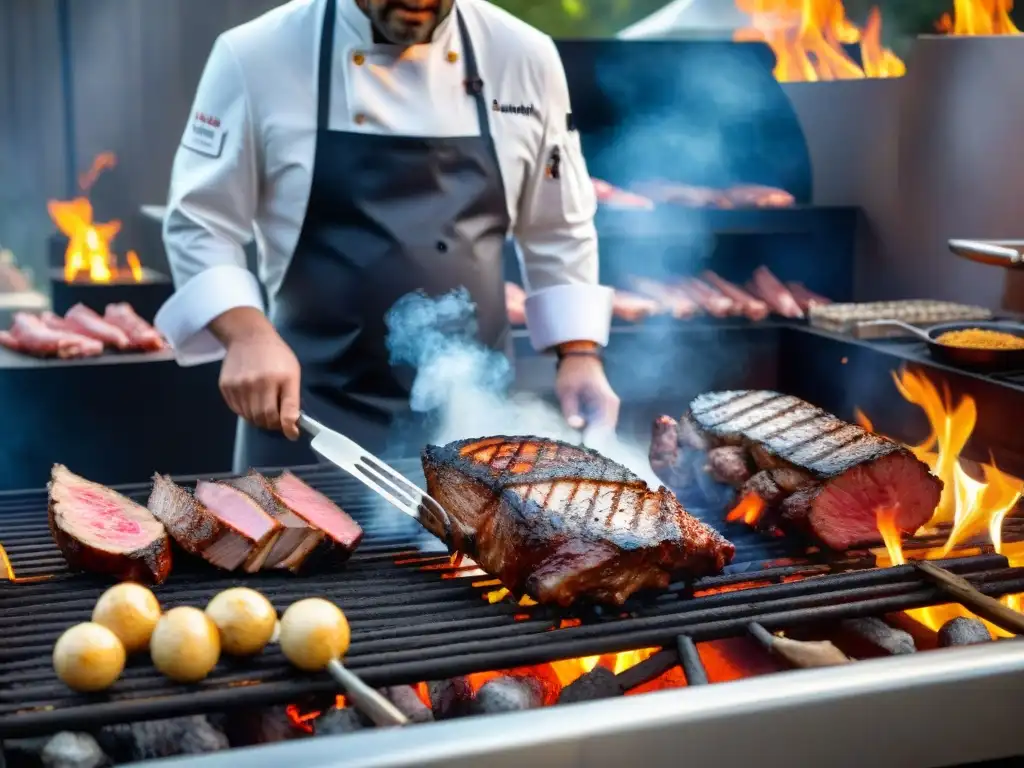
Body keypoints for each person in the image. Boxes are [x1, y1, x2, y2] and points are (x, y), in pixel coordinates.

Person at [156, 0, 619, 470]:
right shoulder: (257, 54)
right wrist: (246, 335)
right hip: (307, 417)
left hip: (475, 422)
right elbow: (201, 219)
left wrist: (578, 353)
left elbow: (559, 224)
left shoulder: (522, 55)